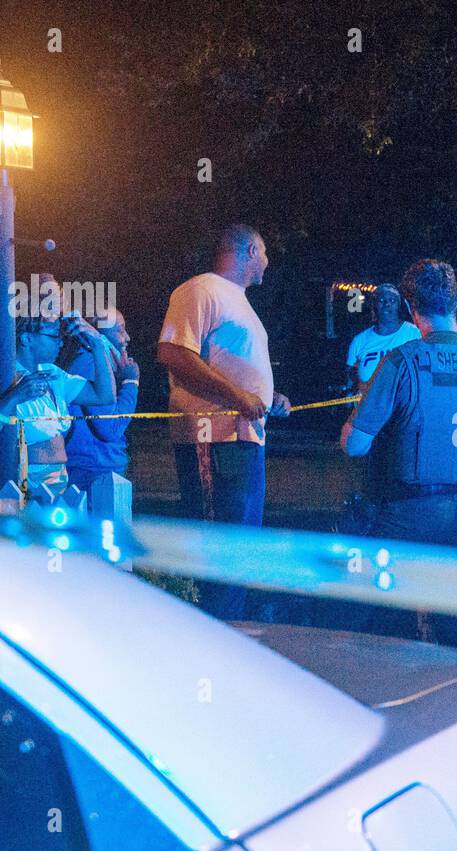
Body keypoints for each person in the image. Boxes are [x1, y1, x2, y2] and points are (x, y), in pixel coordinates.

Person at [341, 259, 457, 651]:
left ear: (411, 307)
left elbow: (355, 444)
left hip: (407, 511)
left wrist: (361, 413)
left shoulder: (400, 361)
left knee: (382, 619)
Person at [156, 223, 292, 620]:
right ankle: (212, 641)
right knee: (220, 549)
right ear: (250, 250)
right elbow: (173, 353)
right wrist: (238, 396)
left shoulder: (238, 301)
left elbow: (237, 369)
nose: (268, 262)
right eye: (265, 253)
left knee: (240, 550)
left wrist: (269, 398)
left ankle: (229, 634)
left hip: (244, 438)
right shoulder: (201, 290)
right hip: (212, 439)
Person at [0, 311, 116, 497]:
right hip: (21, 493)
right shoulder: (0, 385)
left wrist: (97, 343)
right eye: (54, 336)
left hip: (56, 490)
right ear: (26, 339)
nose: (61, 342)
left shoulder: (53, 375)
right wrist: (11, 399)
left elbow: (104, 396)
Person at [64, 307, 140, 493]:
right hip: (93, 472)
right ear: (99, 335)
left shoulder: (95, 365)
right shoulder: (89, 365)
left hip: (96, 469)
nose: (127, 337)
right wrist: (131, 382)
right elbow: (110, 428)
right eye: (120, 330)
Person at [345, 283, 421, 388]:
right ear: (374, 305)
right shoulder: (359, 341)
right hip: (370, 403)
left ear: (399, 305)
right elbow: (350, 379)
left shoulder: (414, 333)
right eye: (381, 300)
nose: (387, 304)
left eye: (392, 300)